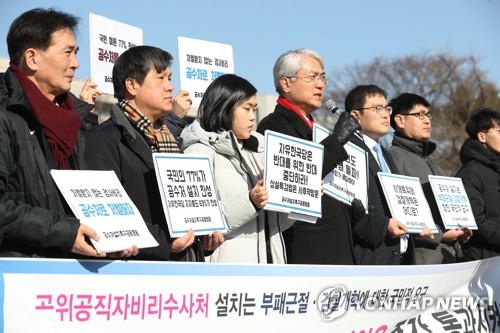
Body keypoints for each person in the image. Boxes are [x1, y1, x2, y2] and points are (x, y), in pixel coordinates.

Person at [0, 8, 136, 258]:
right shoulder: (6, 113)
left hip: (65, 276)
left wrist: (108, 236)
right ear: (32, 58)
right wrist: (64, 233)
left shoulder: (72, 118)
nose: (76, 63)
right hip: (17, 277)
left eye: (76, 53)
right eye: (67, 52)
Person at [85, 45, 223, 261]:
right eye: (160, 78)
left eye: (169, 78)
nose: (170, 87)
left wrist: (202, 237)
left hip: (180, 273)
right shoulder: (102, 140)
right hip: (137, 279)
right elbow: (106, 219)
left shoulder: (171, 140)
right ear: (132, 85)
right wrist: (165, 243)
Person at [256, 49, 360, 265]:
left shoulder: (315, 128)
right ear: (286, 84)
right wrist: (337, 140)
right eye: (312, 77)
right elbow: (297, 177)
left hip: (336, 244)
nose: (320, 84)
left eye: (322, 77)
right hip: (307, 246)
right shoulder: (273, 125)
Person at [181, 74, 292, 263]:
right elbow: (196, 219)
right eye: (246, 108)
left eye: (254, 109)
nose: (252, 117)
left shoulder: (259, 151)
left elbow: (274, 222)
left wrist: (300, 200)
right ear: (224, 108)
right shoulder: (199, 152)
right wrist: (250, 201)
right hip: (228, 274)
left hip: (267, 270)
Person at [346, 85, 433, 265]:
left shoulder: (384, 154)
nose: (386, 114)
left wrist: (416, 223)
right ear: (355, 116)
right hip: (371, 258)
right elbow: (346, 210)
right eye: (377, 109)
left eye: (387, 108)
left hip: (400, 257)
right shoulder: (347, 151)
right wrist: (384, 225)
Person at [389, 93, 471, 264]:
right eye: (419, 115)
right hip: (423, 259)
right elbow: (402, 214)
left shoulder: (431, 158)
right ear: (400, 120)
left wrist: (462, 226)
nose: (427, 120)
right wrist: (441, 235)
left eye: (428, 115)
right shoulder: (394, 158)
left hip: (449, 255)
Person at [455, 108, 500, 261]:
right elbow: (475, 219)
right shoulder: (471, 172)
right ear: (482, 136)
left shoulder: (496, 169)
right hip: (483, 262)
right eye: (499, 131)